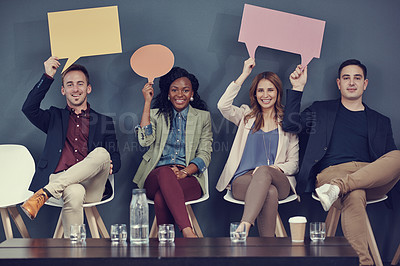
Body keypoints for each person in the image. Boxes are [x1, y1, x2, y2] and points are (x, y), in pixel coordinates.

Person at [283, 59, 400, 265]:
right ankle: (365, 263)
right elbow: (291, 125)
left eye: (357, 78)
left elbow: (388, 165)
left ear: (365, 84)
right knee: (354, 194)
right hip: (331, 173)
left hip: (368, 177)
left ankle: (338, 188)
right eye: (346, 78)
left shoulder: (381, 121)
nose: (352, 82)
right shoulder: (320, 110)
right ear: (339, 83)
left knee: (397, 157)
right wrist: (297, 88)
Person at [21, 56, 121, 237]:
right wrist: (47, 75)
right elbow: (28, 108)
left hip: (92, 185)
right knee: (74, 192)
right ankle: (73, 254)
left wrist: (110, 163)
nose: (75, 89)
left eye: (80, 84)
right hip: (65, 185)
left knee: (102, 153)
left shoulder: (104, 121)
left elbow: (116, 157)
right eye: (70, 84)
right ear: (63, 90)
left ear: (88, 88)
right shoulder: (53, 118)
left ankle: (44, 193)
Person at [216, 58, 299, 237]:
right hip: (243, 181)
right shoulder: (246, 116)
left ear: (278, 92)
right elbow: (223, 106)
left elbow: (294, 164)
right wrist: (245, 73)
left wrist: (272, 169)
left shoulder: (288, 121)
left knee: (264, 172)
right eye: (260, 90)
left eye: (270, 90)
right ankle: (267, 249)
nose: (265, 94)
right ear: (254, 93)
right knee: (269, 192)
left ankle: (244, 225)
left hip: (279, 179)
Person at [133, 67, 212, 238]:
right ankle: (187, 231)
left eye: (185, 90)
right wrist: (147, 102)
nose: (180, 94)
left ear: (192, 93)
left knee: (162, 197)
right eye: (174, 90)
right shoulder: (155, 115)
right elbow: (144, 141)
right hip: (156, 174)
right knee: (165, 172)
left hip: (188, 177)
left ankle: (166, 243)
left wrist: (184, 172)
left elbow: (205, 155)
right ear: (168, 93)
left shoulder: (203, 118)